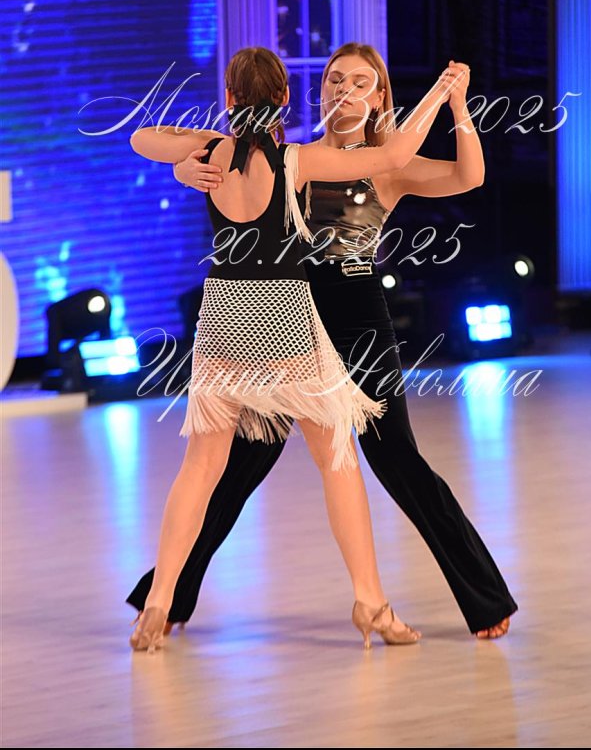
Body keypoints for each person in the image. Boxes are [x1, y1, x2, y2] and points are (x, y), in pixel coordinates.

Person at [127, 42, 519, 641]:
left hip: (352, 314)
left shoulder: (385, 164)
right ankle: (172, 595)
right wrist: (187, 168)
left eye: (360, 82)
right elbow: (215, 163)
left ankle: (483, 599)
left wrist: (458, 104)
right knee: (240, 464)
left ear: (380, 96)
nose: (344, 89)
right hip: (288, 314)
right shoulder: (297, 155)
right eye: (335, 79)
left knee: (396, 458)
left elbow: (470, 175)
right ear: (308, 92)